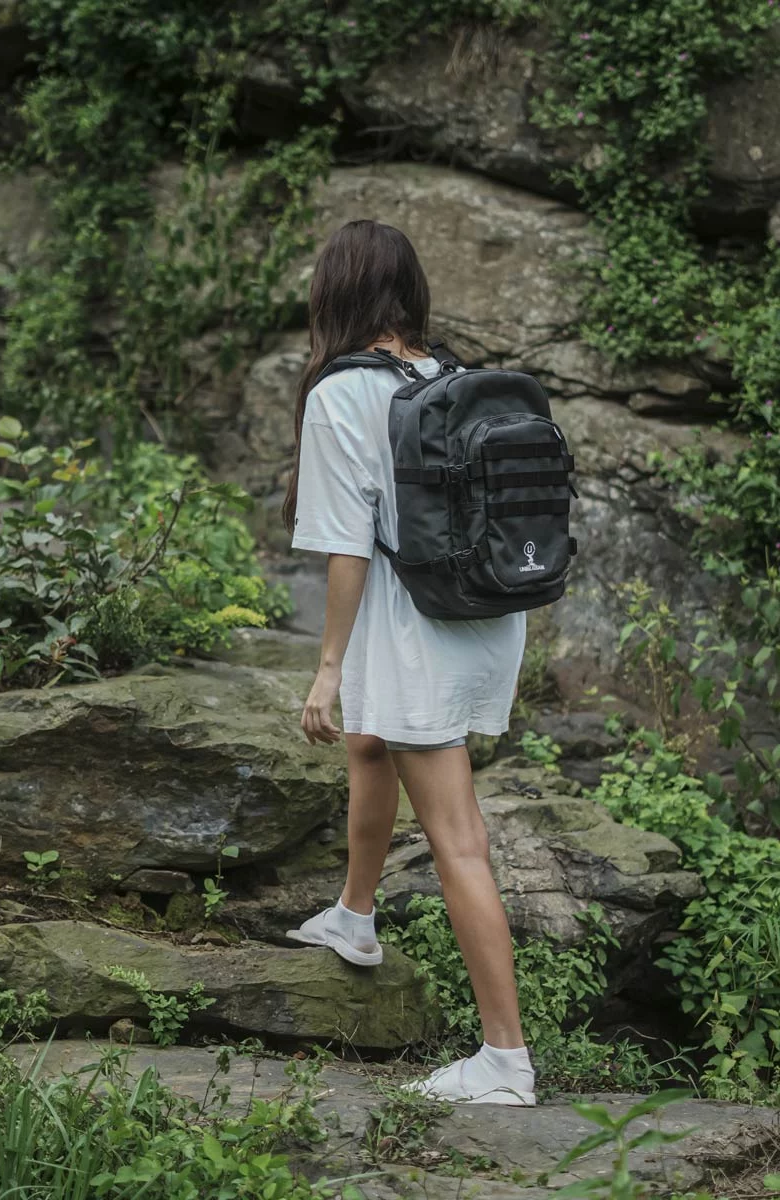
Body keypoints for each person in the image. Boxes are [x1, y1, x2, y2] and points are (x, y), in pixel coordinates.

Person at [282, 219, 535, 1106]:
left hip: (414, 630)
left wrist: (326, 667)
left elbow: (348, 547)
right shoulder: (447, 375)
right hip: (483, 617)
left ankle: (504, 1061)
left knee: (457, 839)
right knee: (369, 740)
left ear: (335, 292)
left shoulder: (341, 393)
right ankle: (355, 916)